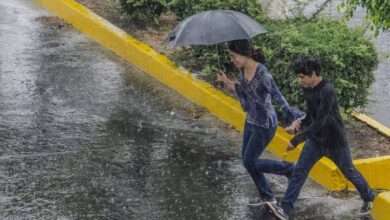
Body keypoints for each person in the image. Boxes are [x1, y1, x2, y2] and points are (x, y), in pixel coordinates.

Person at [264, 55, 376, 219]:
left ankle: (368, 196)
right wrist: (298, 126)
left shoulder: (327, 90)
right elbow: (311, 115)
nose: (299, 80)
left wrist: (296, 140)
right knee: (299, 172)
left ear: (313, 74)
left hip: (335, 141)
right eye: (298, 76)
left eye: (302, 77)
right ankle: (285, 210)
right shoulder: (307, 88)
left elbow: (322, 121)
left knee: (349, 171)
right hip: (316, 141)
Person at [217, 39, 300, 206]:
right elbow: (245, 91)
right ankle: (267, 195)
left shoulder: (263, 74)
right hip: (251, 121)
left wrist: (293, 120)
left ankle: (290, 170)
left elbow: (278, 97)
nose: (232, 60)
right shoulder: (242, 70)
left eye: (234, 56)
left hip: (265, 124)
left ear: (245, 54)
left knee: (250, 161)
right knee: (247, 160)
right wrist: (226, 81)